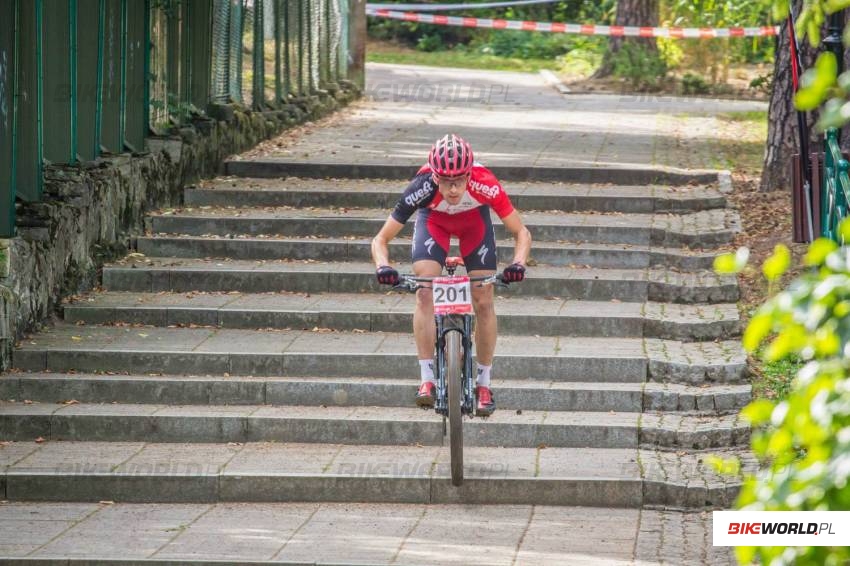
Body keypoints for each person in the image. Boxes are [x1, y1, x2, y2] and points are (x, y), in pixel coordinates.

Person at [370, 133, 532, 416]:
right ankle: (427, 379)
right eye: (446, 180)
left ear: (470, 173)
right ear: (434, 176)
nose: (454, 189)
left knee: (483, 298)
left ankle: (483, 383)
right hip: (434, 223)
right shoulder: (421, 188)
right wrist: (383, 266)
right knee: (424, 291)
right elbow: (380, 240)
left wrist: (518, 263)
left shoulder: (485, 183)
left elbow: (521, 232)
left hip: (474, 225)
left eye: (460, 179)